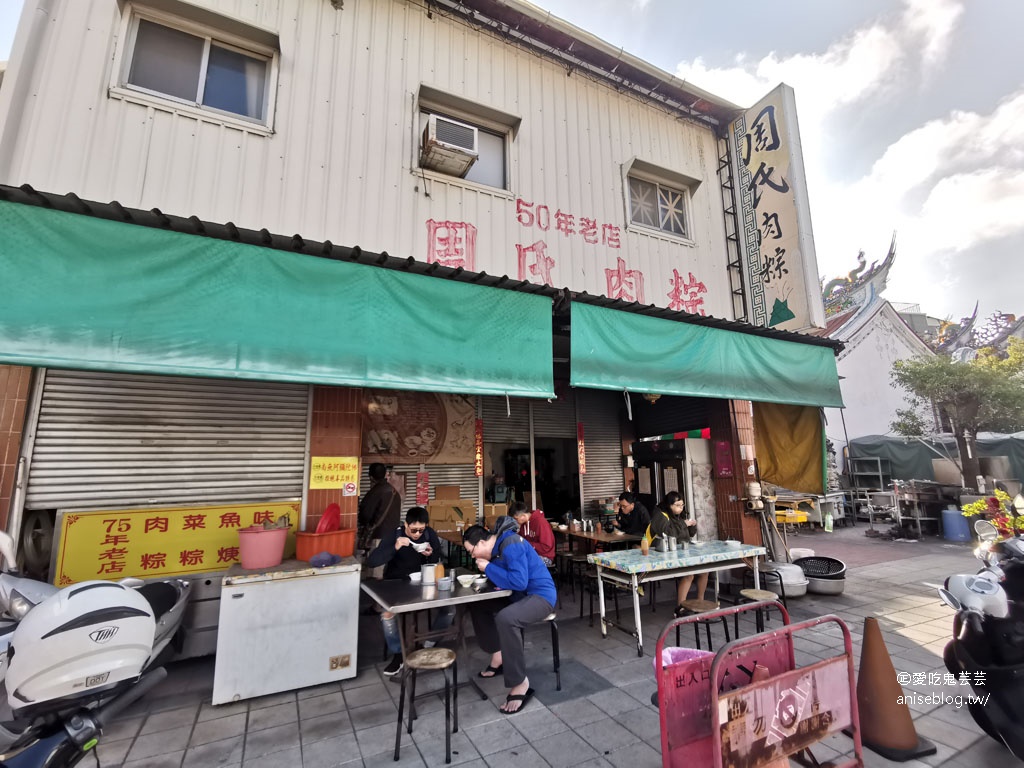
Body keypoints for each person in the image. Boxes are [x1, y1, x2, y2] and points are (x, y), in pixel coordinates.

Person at [462, 518, 557, 714]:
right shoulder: (498, 549)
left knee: (506, 618)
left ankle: (520, 682)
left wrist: (488, 567)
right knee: (478, 604)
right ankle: (498, 657)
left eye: (471, 552)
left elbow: (519, 581)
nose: (473, 557)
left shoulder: (510, 542)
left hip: (541, 596)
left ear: (481, 543)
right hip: (520, 596)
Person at [366, 506, 452, 677]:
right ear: (406, 524)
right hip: (396, 582)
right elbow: (372, 561)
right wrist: (395, 548)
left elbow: (436, 558)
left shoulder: (429, 534)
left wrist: (431, 554)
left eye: (421, 529)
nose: (418, 534)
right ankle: (399, 654)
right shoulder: (395, 535)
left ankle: (427, 644)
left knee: (449, 609)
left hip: (422, 582)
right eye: (414, 530)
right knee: (387, 614)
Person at [648, 491, 708, 611]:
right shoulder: (661, 516)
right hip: (666, 553)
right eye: (677, 505)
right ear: (669, 505)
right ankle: (680, 608)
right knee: (689, 574)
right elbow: (669, 534)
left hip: (682, 550)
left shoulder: (681, 516)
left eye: (682, 505)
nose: (680, 508)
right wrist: (683, 524)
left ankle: (700, 601)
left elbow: (689, 534)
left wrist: (692, 526)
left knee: (704, 571)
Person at [358, 463, 402, 561]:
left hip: (378, 535)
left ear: (371, 477)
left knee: (375, 569)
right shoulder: (394, 491)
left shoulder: (375, 492)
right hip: (393, 535)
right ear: (385, 474)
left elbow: (365, 515)